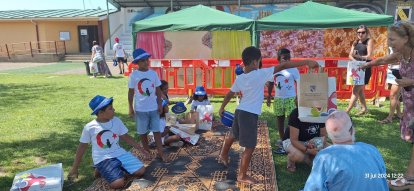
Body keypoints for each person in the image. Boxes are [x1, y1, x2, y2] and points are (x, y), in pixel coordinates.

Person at [218, 46, 319, 184]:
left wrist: (222, 107)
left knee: (233, 135)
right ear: (255, 62)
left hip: (240, 111)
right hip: (249, 115)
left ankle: (223, 154)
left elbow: (230, 93)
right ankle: (242, 175)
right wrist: (306, 61)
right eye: (259, 61)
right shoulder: (260, 74)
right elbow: (284, 65)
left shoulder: (240, 77)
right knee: (250, 146)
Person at [361, 21, 414, 189]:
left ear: (406, 38)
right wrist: (368, 64)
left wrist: (410, 81)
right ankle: (410, 178)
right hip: (410, 104)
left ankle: (409, 178)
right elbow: (383, 59)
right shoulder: (401, 55)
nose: (389, 44)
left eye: (392, 40)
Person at [68, 95, 150, 189]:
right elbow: (82, 147)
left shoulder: (116, 121)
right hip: (103, 158)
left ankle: (111, 168)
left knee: (141, 171)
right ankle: (101, 168)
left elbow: (126, 137)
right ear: (101, 113)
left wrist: (141, 149)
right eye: (111, 109)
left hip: (119, 153)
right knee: (118, 184)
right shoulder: (90, 127)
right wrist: (75, 167)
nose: (114, 110)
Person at [304, 111, 388, 191]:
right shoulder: (372, 149)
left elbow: (313, 188)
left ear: (329, 135)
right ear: (352, 130)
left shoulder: (324, 157)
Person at [128, 48, 166, 162]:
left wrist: (159, 104)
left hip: (153, 108)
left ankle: (161, 153)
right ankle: (147, 153)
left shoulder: (153, 74)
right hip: (140, 109)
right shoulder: (134, 75)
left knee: (157, 132)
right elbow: (130, 92)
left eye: (147, 60)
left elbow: (158, 90)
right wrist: (130, 108)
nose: (146, 62)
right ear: (137, 63)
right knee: (143, 133)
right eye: (142, 61)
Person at [266, 48, 300, 154]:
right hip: (278, 99)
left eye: (289, 57)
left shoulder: (294, 69)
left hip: (291, 99)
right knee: (280, 121)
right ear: (279, 59)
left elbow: (299, 83)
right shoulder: (275, 69)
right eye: (284, 58)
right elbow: (271, 83)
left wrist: (298, 97)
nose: (287, 60)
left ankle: (290, 141)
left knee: (291, 121)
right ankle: (283, 141)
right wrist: (268, 96)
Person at [282, 108, 327, 172]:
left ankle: (309, 157)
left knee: (331, 151)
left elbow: (323, 135)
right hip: (292, 141)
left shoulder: (321, 112)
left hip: (312, 141)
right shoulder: (296, 113)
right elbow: (294, 140)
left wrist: (317, 145)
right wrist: (308, 150)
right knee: (298, 156)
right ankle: (292, 158)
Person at [345, 25, 374, 115]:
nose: (360, 34)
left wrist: (359, 57)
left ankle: (347, 111)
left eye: (363, 32)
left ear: (367, 32)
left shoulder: (369, 41)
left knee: (355, 90)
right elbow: (350, 55)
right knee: (360, 91)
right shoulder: (356, 42)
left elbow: (369, 56)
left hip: (365, 68)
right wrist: (355, 61)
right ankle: (365, 109)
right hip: (357, 68)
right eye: (358, 32)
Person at [149, 80, 184, 147]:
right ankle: (169, 142)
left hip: (165, 124)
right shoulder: (158, 121)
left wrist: (174, 103)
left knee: (179, 123)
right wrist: (168, 129)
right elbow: (160, 135)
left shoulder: (165, 114)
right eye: (165, 89)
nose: (167, 90)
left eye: (167, 88)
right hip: (159, 138)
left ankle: (172, 143)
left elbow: (167, 103)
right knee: (177, 136)